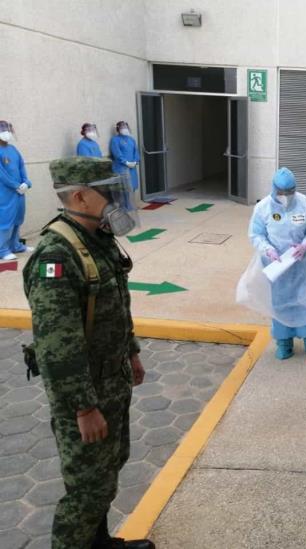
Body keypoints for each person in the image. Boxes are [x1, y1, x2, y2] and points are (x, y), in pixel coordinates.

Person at [23, 156, 153, 549]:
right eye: (109, 190)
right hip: (87, 394)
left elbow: (115, 306)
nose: (118, 197)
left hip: (113, 381)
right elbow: (58, 346)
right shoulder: (56, 257)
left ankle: (99, 543)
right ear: (79, 196)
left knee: (107, 472)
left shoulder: (96, 240)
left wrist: (130, 353)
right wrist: (84, 407)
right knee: (85, 490)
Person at [249, 167, 306, 360]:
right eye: (281, 192)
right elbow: (256, 234)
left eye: (290, 192)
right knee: (280, 301)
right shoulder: (263, 208)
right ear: (274, 189)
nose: (285, 196)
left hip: (303, 264)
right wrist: (268, 249)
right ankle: (284, 341)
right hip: (277, 265)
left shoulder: (305, 203)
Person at [0, 120, 33, 260]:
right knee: (5, 221)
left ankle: (15, 245)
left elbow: (21, 167)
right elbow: (1, 174)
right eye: (3, 130)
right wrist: (15, 185)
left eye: (8, 130)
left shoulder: (13, 149)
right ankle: (2, 250)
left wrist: (26, 182)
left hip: (20, 191)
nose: (7, 133)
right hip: (5, 193)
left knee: (18, 219)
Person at [109, 121, 140, 192]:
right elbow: (116, 153)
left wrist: (135, 161)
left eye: (126, 126)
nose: (124, 128)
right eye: (122, 127)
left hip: (132, 167)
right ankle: (125, 203)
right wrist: (126, 162)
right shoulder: (115, 139)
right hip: (121, 167)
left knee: (132, 186)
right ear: (118, 129)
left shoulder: (131, 139)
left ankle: (131, 203)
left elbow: (136, 151)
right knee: (123, 189)